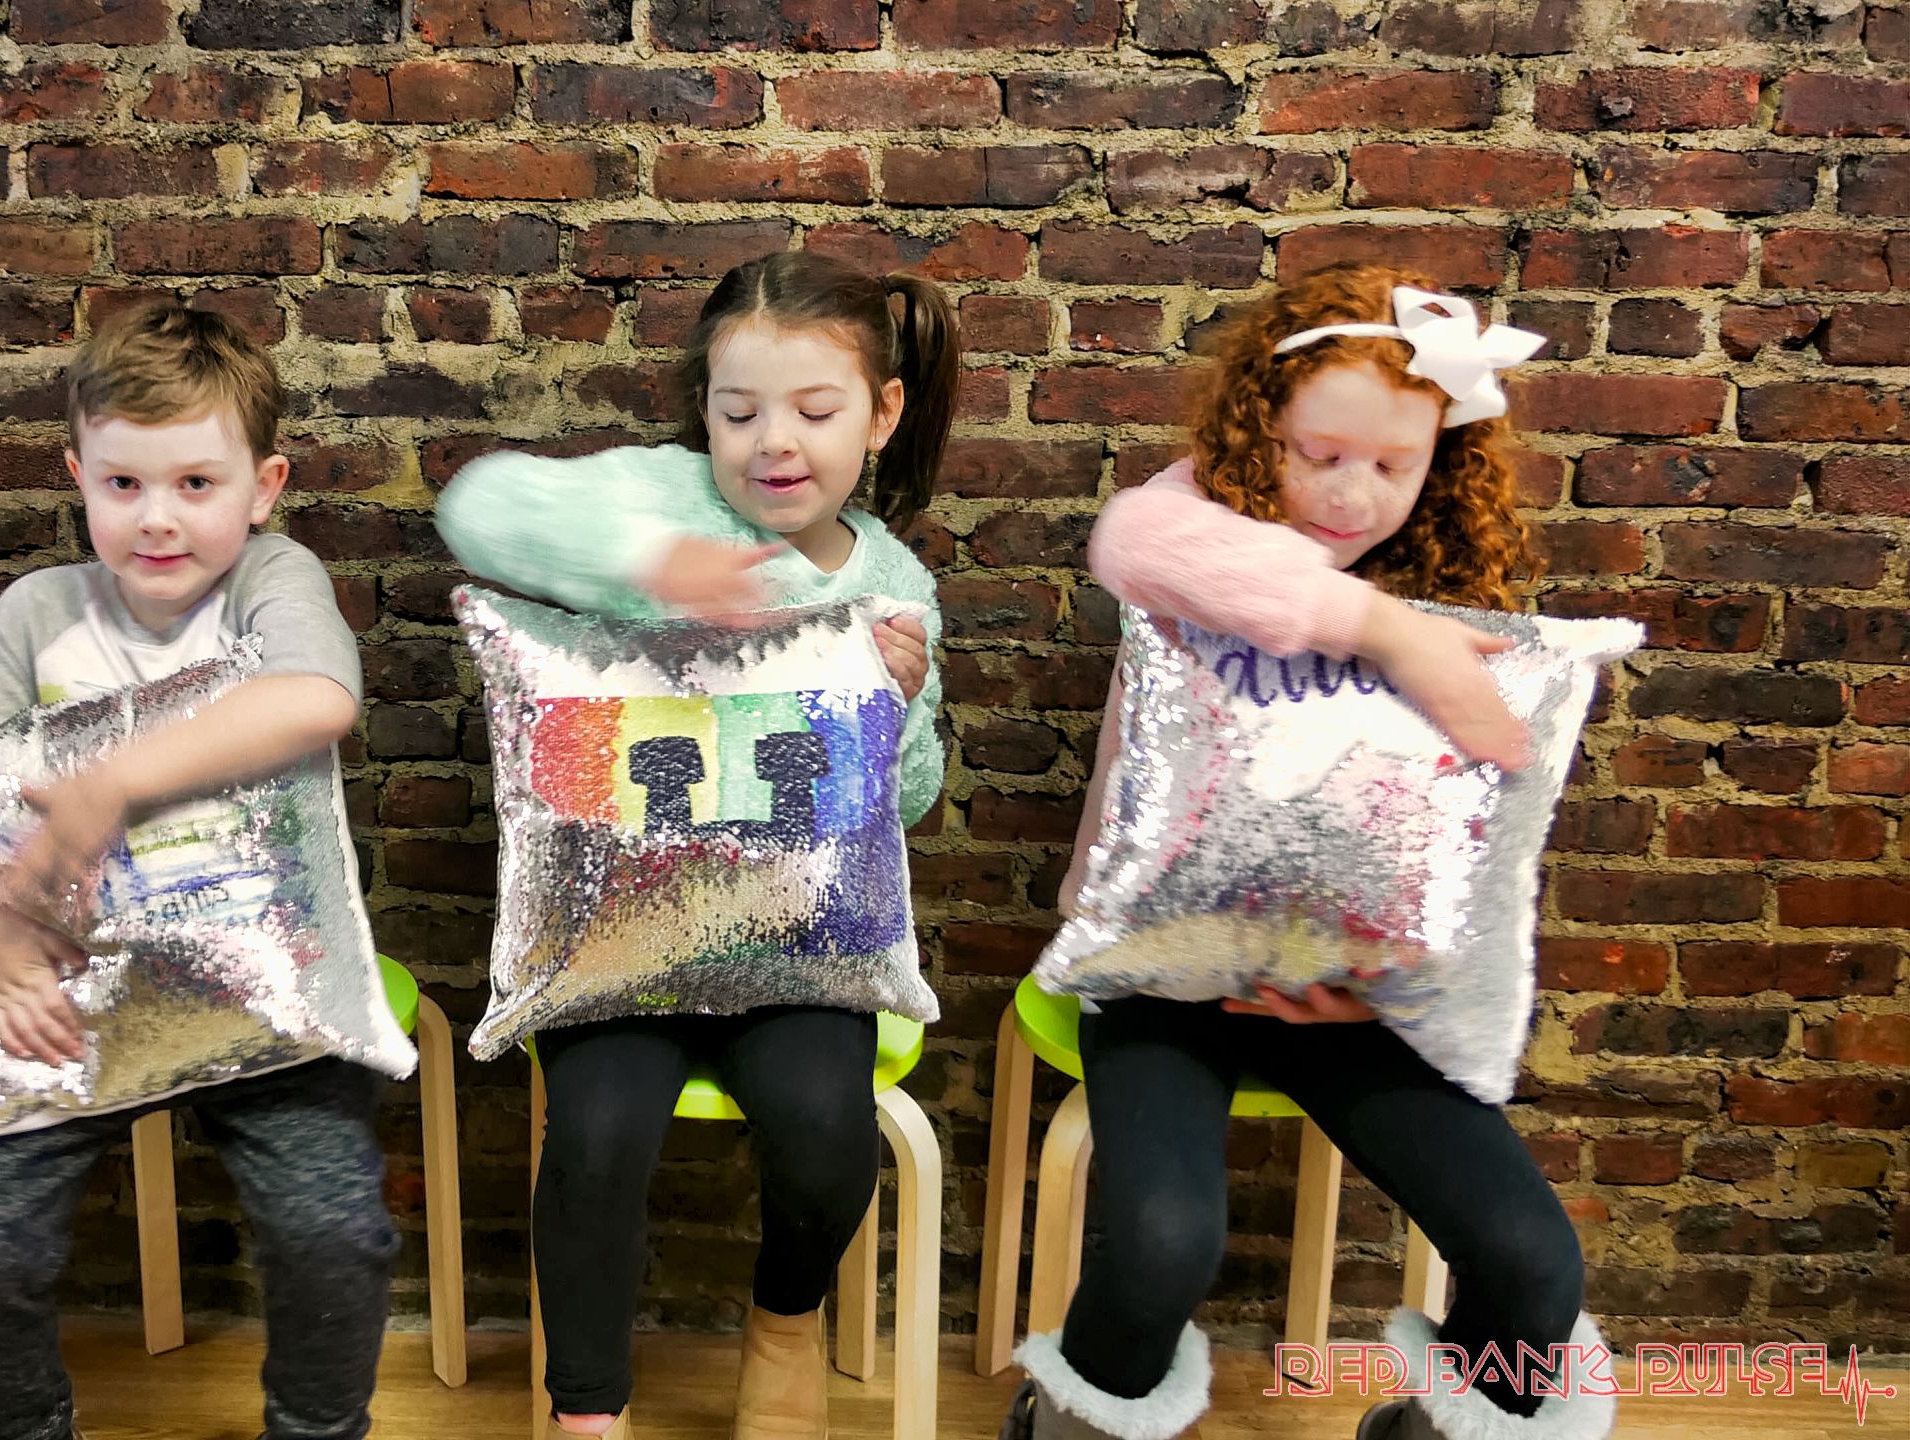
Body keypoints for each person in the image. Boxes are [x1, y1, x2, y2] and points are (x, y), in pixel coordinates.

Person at [1001, 262, 1615, 1440]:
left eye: (1392, 464)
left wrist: (1390, 981)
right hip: (1166, 978)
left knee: (1532, 1264)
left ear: (1440, 459)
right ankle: (1061, 1425)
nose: (1348, 494)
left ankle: (1427, 1434)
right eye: (1316, 452)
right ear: (1255, 429)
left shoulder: (1450, 579)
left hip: (1345, 999)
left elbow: (1463, 849)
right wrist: (1387, 633)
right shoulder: (1195, 527)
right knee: (1163, 1245)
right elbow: (1132, 540)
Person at [435, 249, 960, 1440]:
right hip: (621, 932)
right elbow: (476, 507)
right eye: (739, 412)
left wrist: (899, 707)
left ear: (880, 415)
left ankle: (784, 1322)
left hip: (798, 942)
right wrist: (650, 563)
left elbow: (908, 806)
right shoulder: (664, 498)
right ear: (705, 414)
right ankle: (587, 1410)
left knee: (824, 1134)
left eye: (814, 411)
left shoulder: (893, 582)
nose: (774, 443)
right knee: (595, 1138)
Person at [0, 299, 396, 1440]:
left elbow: (318, 700)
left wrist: (109, 785)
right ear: (78, 476)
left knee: (335, 1234)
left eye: (196, 484)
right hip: (68, 1006)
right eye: (123, 484)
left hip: (266, 1000)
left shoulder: (273, 579)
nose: (157, 518)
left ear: (263, 487)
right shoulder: (38, 615)